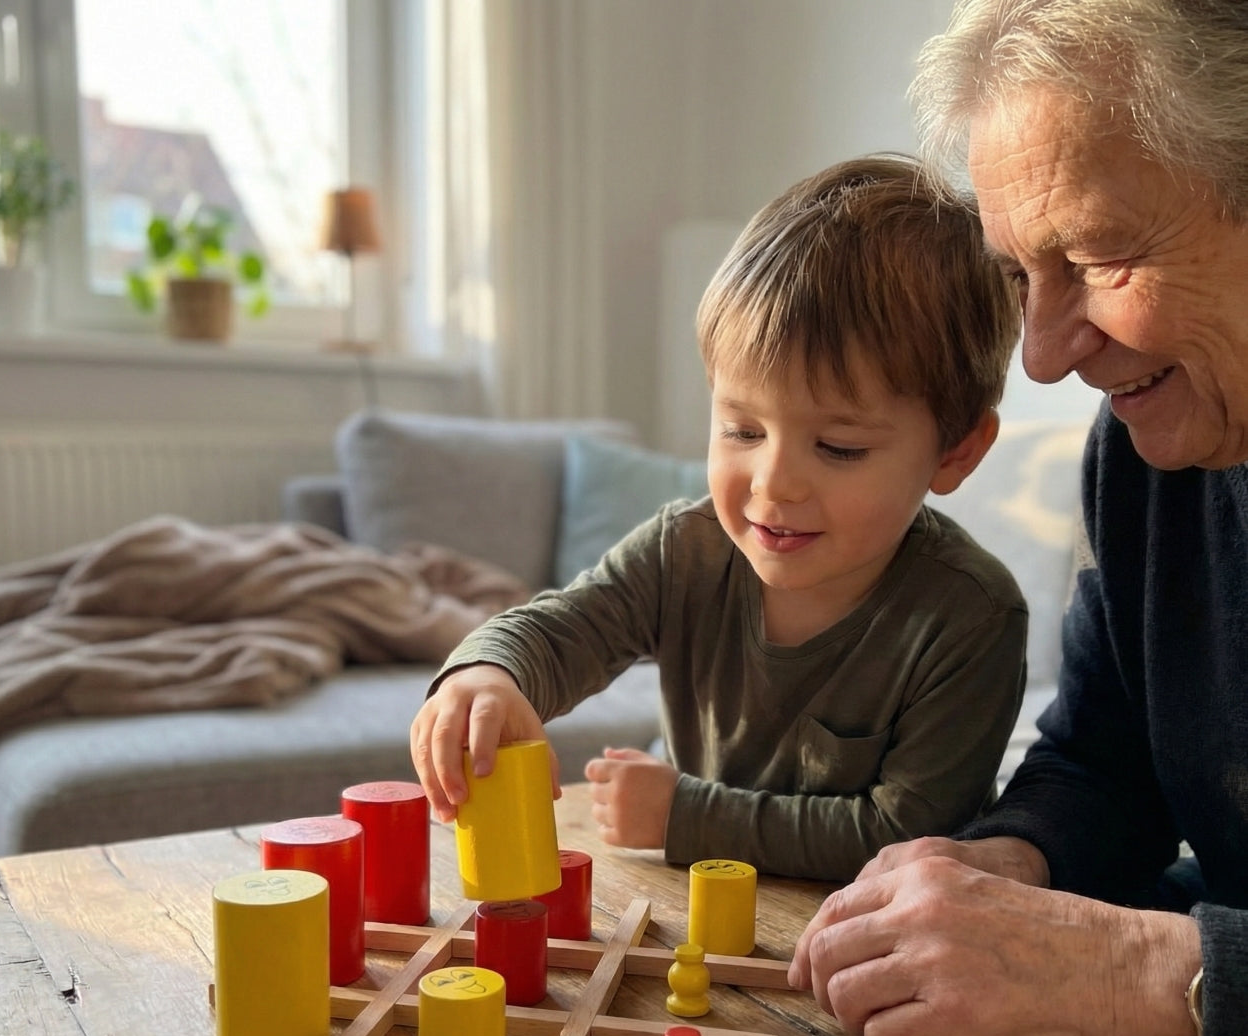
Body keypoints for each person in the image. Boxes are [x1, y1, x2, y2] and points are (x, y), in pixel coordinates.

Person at [788, 0, 1248, 1036]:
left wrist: (1140, 975)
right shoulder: (1146, 457)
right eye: (1017, 277)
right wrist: (1008, 860)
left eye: (1095, 255)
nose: (1042, 356)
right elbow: (1103, 764)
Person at [410, 155, 1026, 881]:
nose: (774, 483)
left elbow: (910, 834)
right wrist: (486, 674)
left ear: (956, 451)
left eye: (839, 447)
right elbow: (554, 631)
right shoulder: (684, 551)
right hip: (696, 913)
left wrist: (687, 816)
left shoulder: (972, 616)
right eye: (742, 430)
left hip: (867, 927)